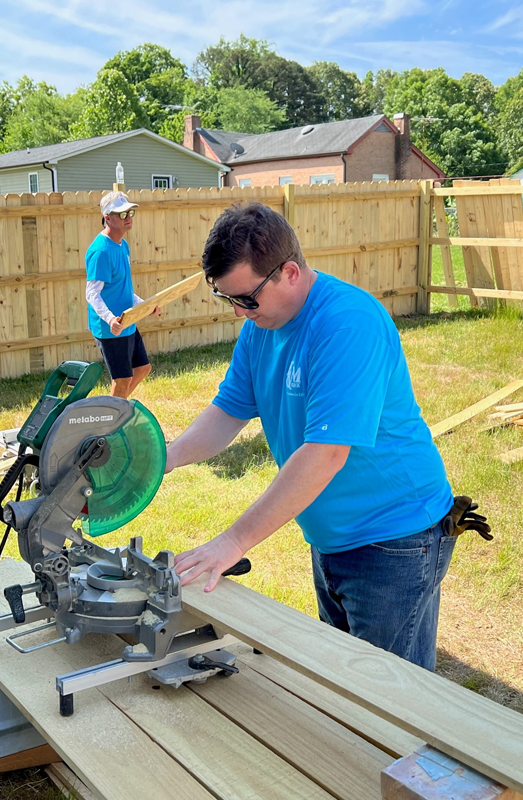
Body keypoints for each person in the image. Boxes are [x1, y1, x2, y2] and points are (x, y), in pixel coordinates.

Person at [165, 202, 476, 671]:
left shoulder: (348, 323)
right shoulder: (261, 327)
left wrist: (232, 542)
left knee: (393, 699)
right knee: (346, 680)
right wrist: (161, 459)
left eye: (246, 298)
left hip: (395, 536)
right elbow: (225, 415)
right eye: (227, 299)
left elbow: (326, 454)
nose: (238, 312)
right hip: (331, 537)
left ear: (289, 272)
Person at [85, 191, 159, 399]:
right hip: (112, 328)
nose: (129, 218)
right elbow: (92, 294)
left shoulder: (122, 245)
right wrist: (110, 319)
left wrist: (145, 305)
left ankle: (115, 406)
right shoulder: (101, 252)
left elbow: (122, 287)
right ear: (107, 218)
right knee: (122, 379)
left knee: (143, 368)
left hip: (128, 321)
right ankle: (110, 421)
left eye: (130, 213)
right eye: (122, 214)